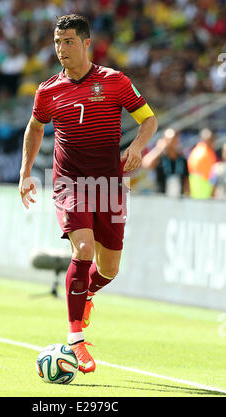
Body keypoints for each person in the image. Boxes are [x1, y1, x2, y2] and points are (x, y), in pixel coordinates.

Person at [18, 14, 158, 374]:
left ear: (85, 44)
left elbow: (149, 120)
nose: (60, 49)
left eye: (67, 42)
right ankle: (76, 339)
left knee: (109, 269)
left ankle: (88, 292)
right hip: (70, 182)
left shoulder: (115, 82)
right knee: (82, 249)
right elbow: (35, 128)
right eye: (56, 42)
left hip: (109, 184)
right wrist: (25, 172)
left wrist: (139, 147)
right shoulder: (48, 90)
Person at [142, 128, 190, 196]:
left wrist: (188, 195)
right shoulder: (159, 158)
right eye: (169, 139)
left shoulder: (182, 159)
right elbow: (146, 165)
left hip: (179, 199)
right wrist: (159, 149)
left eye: (174, 139)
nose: (171, 142)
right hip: (161, 198)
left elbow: (186, 180)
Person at [187, 128, 217, 199]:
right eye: (210, 140)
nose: (212, 142)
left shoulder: (200, 149)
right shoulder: (203, 151)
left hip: (199, 182)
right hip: (201, 183)